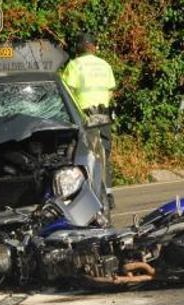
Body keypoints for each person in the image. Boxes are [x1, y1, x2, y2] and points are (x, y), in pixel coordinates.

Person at [61, 33, 117, 201]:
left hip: (84, 115)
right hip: (103, 114)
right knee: (104, 153)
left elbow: (66, 92)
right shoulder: (104, 65)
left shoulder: (74, 65)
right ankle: (107, 194)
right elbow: (110, 90)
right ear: (93, 47)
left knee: (83, 154)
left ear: (80, 47)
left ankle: (86, 194)